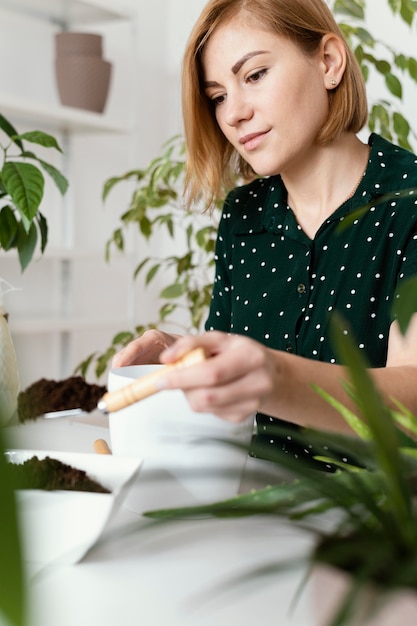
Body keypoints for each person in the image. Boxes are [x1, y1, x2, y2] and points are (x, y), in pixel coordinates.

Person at [113, 0, 417, 464]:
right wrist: (190, 361)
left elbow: (409, 406)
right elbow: (232, 409)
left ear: (329, 62)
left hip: (377, 528)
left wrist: (274, 376)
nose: (233, 113)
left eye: (254, 75)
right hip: (255, 513)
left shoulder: (408, 201)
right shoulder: (243, 215)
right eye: (217, 96)